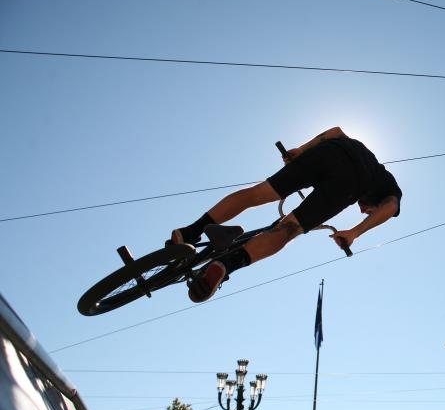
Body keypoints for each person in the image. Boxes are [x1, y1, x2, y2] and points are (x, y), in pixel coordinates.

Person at [170, 126, 403, 302]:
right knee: (288, 229)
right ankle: (226, 264)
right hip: (351, 181)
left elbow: (336, 131)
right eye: (367, 210)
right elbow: (391, 207)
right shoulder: (388, 185)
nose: (363, 210)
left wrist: (300, 151)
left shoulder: (363, 149)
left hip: (328, 151)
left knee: (258, 193)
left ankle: (190, 231)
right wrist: (354, 232)